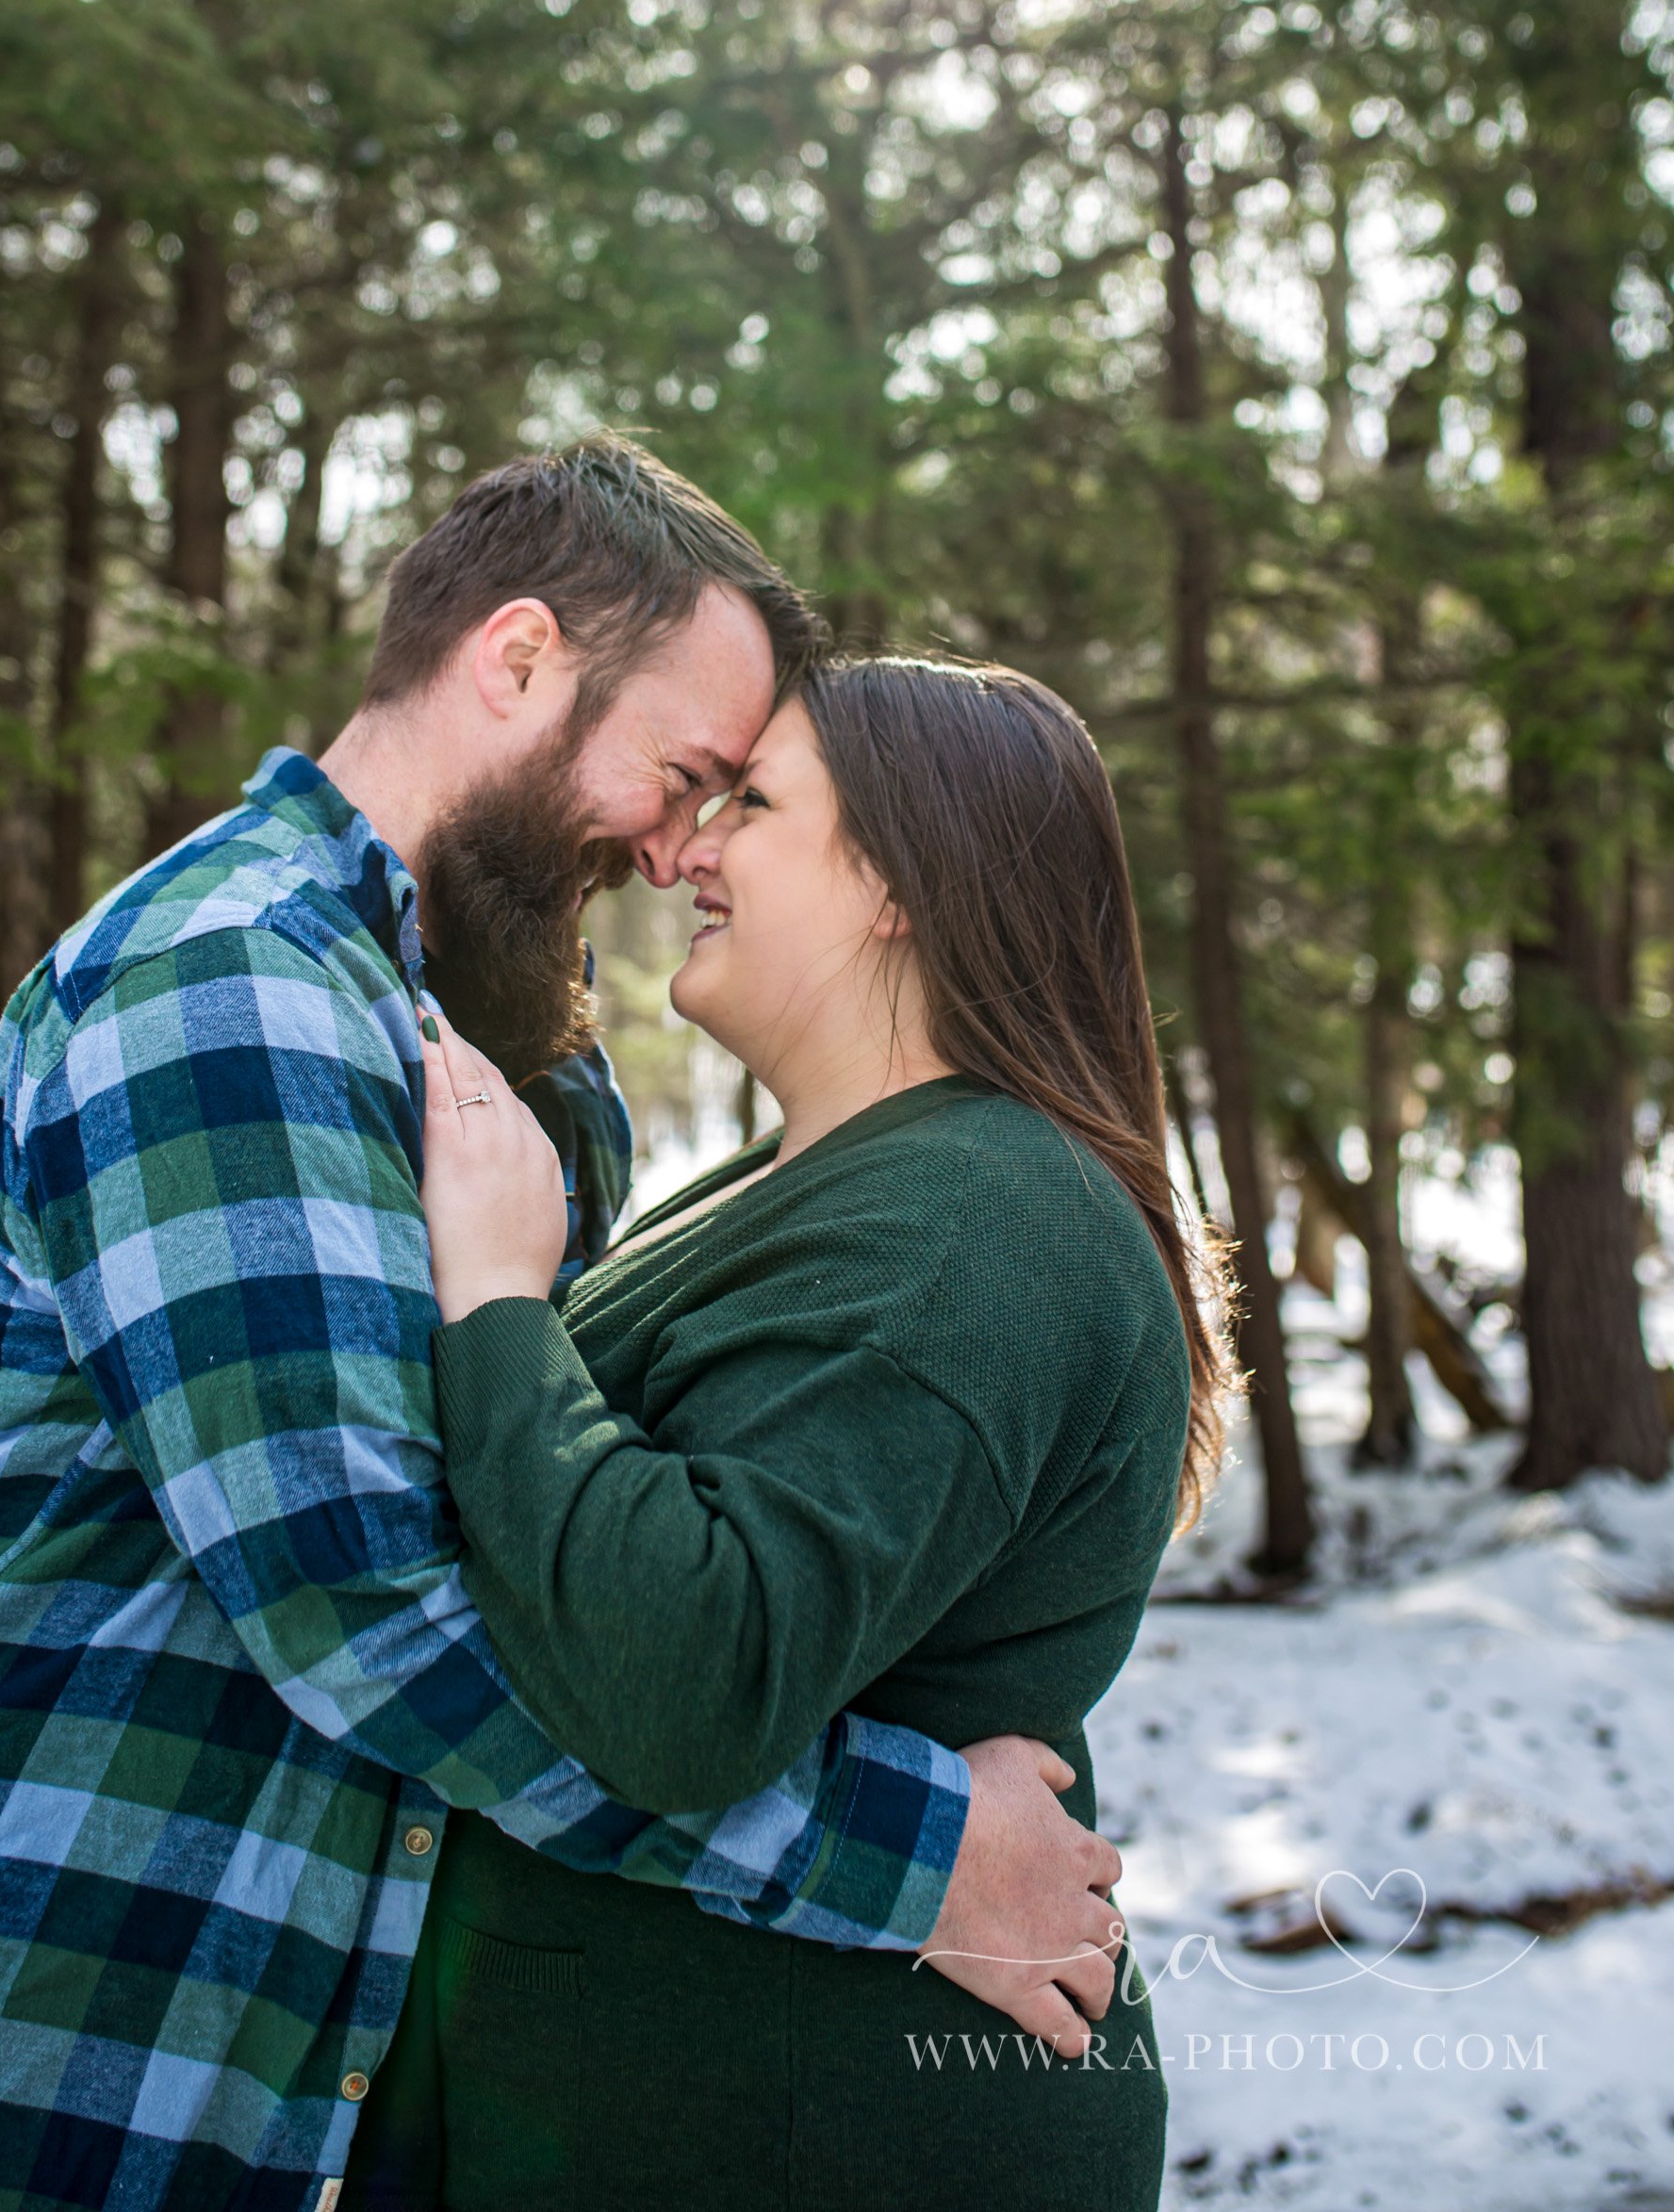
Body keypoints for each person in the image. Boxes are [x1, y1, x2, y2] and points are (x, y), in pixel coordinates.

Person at [0, 446, 1125, 2212]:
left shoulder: (477, 1053)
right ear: (519, 661)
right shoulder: (225, 988)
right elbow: (367, 1607)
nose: (673, 847)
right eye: (682, 773)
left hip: (208, 2078)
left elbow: (538, 1547)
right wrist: (918, 1861)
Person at [349, 653, 1232, 2212]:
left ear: (900, 879)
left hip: (824, 2131)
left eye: (750, 804)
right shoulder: (834, 1179)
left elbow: (690, 1675)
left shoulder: (976, 1220)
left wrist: (493, 1300)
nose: (686, 848)